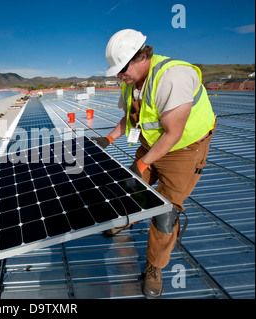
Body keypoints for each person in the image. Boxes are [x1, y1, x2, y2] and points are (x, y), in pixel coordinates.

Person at [92, 29, 216, 298]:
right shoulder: (131, 82)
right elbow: (131, 117)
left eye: (122, 68)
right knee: (131, 188)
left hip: (184, 149)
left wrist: (142, 164)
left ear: (141, 57)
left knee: (164, 211)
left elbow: (174, 133)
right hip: (152, 144)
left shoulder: (172, 77)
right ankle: (129, 220)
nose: (118, 75)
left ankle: (154, 267)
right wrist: (109, 138)